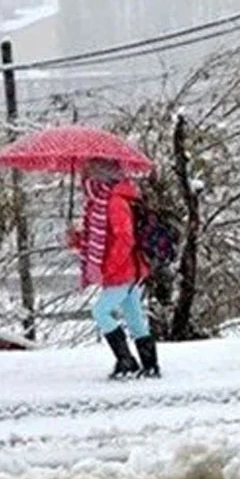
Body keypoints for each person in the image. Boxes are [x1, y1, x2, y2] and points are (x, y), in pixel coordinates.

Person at [68, 158, 161, 378]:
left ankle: (126, 362)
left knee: (100, 312)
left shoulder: (114, 202)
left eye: (88, 173)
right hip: (130, 270)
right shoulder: (99, 203)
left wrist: (108, 267)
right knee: (134, 316)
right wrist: (76, 240)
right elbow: (101, 239)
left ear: (101, 176)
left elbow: (124, 239)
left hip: (124, 271)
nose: (84, 179)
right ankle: (149, 365)